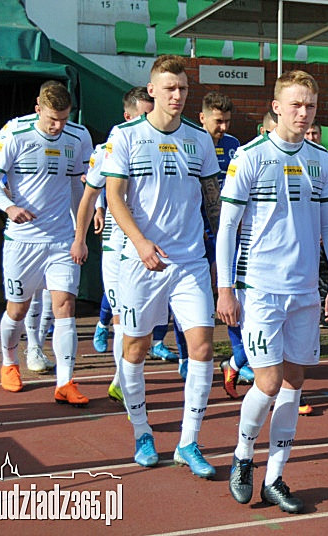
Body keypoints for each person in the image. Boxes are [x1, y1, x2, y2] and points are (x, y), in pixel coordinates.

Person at [219, 70, 328, 512]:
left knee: (294, 384)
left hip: (306, 291)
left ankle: (275, 477)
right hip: (262, 290)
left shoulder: (322, 160)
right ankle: (242, 455)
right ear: (276, 107)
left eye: (309, 105)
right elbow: (227, 227)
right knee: (267, 382)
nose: (303, 112)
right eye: (295, 104)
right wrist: (225, 287)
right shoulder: (250, 157)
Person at [102, 55, 222, 476]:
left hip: (188, 261)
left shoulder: (200, 138)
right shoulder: (126, 135)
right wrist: (140, 243)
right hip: (141, 263)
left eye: (183, 89)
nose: (177, 95)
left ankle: (189, 441)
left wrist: (220, 257)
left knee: (203, 347)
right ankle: (142, 432)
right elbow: (113, 196)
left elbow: (212, 201)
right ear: (151, 91)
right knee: (134, 350)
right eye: (169, 88)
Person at [0, 82, 91, 404]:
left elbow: (77, 187)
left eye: (63, 119)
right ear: (37, 108)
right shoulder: (16, 134)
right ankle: (9, 362)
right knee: (17, 309)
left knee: (65, 307)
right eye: (52, 120)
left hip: (61, 239)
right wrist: (8, 206)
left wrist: (79, 233)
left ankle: (66, 381)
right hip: (22, 241)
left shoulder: (78, 136)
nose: (58, 126)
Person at [73, 86, 155, 406]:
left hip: (152, 244)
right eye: (144, 114)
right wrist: (79, 239)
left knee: (143, 320)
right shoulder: (111, 147)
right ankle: (121, 380)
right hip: (118, 246)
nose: (150, 121)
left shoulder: (165, 145)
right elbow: (89, 197)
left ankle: (127, 375)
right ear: (128, 115)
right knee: (123, 314)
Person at [197, 92, 254, 399]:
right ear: (202, 117)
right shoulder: (192, 142)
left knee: (229, 293)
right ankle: (185, 356)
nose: (223, 127)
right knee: (199, 298)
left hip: (227, 231)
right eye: (218, 121)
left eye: (227, 121)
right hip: (196, 232)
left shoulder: (234, 146)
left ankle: (238, 356)